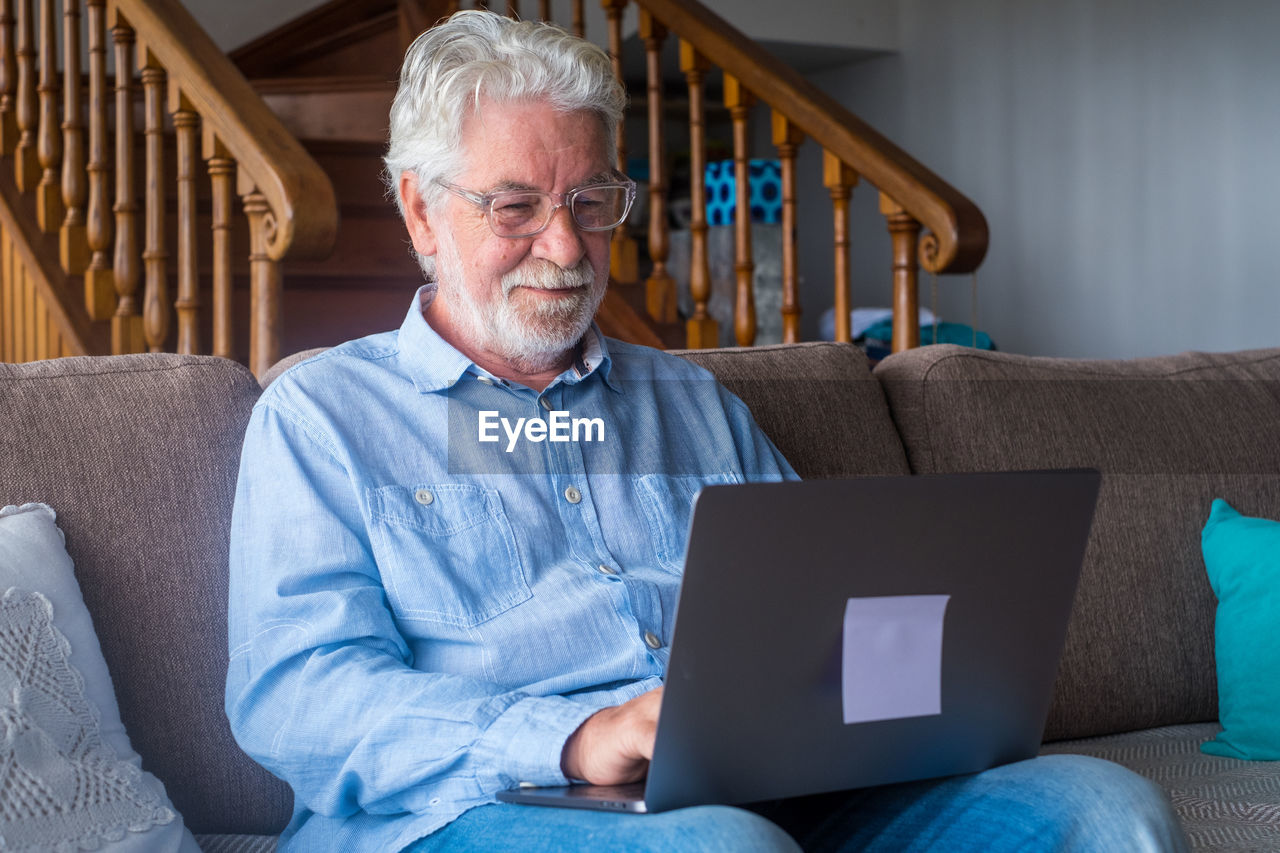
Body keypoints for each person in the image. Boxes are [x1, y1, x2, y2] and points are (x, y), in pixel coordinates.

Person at [226, 10, 1188, 853]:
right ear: (421, 211)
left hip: (763, 788)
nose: (564, 248)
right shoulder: (324, 420)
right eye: (516, 206)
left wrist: (906, 690)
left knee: (1101, 808)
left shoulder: (692, 405)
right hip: (468, 808)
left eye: (591, 203)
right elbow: (300, 696)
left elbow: (822, 610)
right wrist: (573, 735)